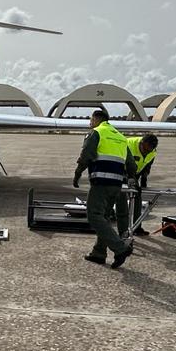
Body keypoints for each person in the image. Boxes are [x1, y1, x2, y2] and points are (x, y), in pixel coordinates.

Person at [72, 109, 135, 268]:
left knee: (93, 215)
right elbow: (131, 164)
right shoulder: (121, 137)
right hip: (117, 185)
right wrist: (131, 178)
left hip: (101, 182)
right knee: (104, 217)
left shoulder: (96, 133)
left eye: (91, 120)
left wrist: (77, 174)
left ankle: (120, 248)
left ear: (95, 119)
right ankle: (99, 253)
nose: (90, 123)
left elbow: (86, 155)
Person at [125, 133, 159, 235]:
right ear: (141, 143)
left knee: (137, 198)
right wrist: (130, 179)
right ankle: (124, 229)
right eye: (145, 150)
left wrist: (144, 179)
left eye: (150, 150)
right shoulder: (128, 145)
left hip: (135, 174)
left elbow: (147, 165)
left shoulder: (152, 152)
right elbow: (125, 163)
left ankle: (136, 227)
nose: (147, 152)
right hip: (121, 171)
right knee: (121, 199)